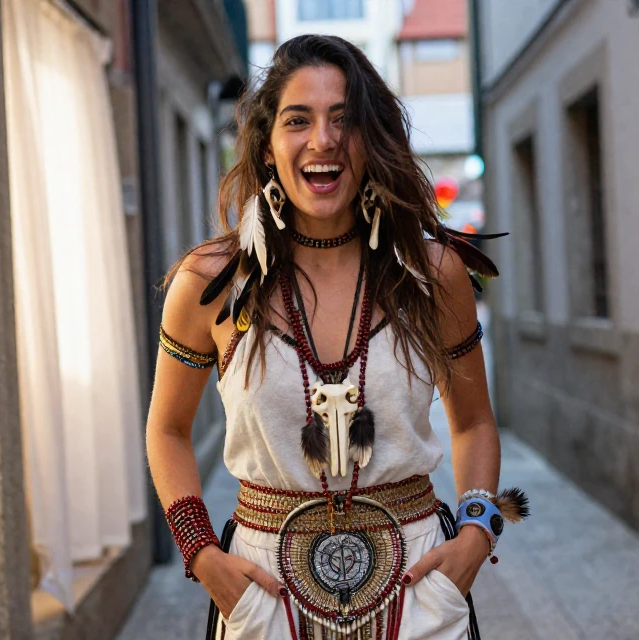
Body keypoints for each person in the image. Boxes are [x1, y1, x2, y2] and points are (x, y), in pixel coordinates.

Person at [146, 35, 526, 640]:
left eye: (344, 120)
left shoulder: (432, 275)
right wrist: (200, 553)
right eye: (298, 120)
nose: (322, 140)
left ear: (372, 141)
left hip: (419, 593)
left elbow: (474, 422)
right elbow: (167, 429)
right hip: (264, 595)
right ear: (268, 146)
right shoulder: (209, 284)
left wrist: (476, 533)